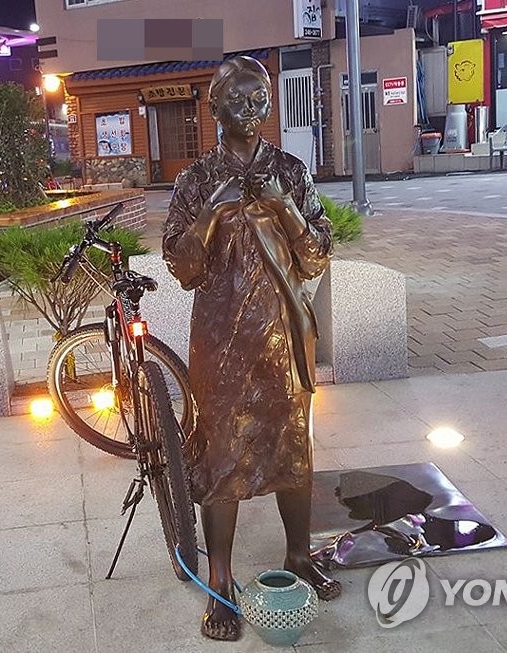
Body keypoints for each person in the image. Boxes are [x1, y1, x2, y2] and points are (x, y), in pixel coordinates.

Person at [162, 55, 340, 642]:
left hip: (283, 334)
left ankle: (298, 554)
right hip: (220, 340)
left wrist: (284, 207)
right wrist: (210, 216)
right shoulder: (195, 181)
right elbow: (182, 268)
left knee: (293, 446)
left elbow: (316, 257)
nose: (251, 110)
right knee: (222, 455)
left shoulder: (289, 171)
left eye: (260, 99)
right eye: (237, 99)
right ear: (213, 106)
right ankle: (220, 579)